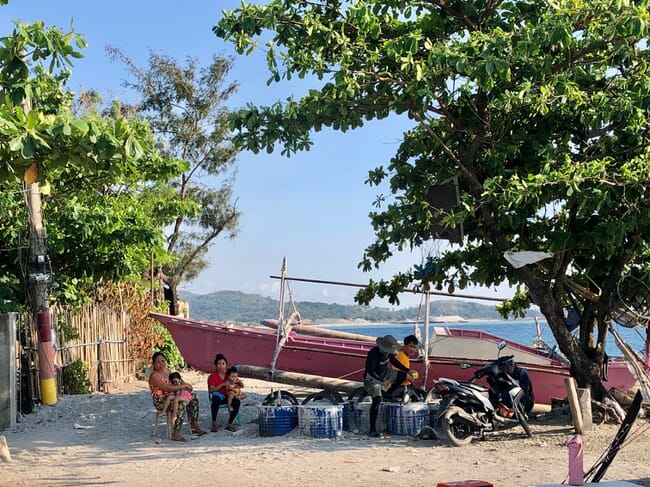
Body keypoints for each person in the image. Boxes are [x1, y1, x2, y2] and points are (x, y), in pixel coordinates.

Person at [148, 351, 206, 441]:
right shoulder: (154, 376)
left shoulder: (168, 371)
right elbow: (168, 388)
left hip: (173, 395)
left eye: (163, 361)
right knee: (181, 403)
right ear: (154, 364)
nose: (161, 364)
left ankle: (194, 423)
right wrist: (183, 386)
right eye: (158, 362)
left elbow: (179, 381)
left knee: (193, 398)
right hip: (161, 400)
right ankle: (176, 432)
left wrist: (186, 385)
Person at [363, 335, 413, 437]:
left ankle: (388, 394)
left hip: (385, 374)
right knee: (377, 399)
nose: (387, 353)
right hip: (372, 378)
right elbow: (370, 372)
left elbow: (395, 362)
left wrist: (408, 370)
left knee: (402, 375)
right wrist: (382, 382)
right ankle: (372, 429)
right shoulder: (373, 353)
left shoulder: (389, 353)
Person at [208, 353, 242, 432]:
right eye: (219, 364)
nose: (221, 366)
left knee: (237, 402)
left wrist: (237, 384)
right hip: (219, 396)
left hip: (229, 394)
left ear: (226, 364)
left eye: (223, 363)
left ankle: (230, 422)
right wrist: (222, 385)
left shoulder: (229, 373)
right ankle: (214, 422)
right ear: (216, 365)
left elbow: (237, 382)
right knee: (215, 400)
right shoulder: (213, 376)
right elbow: (211, 390)